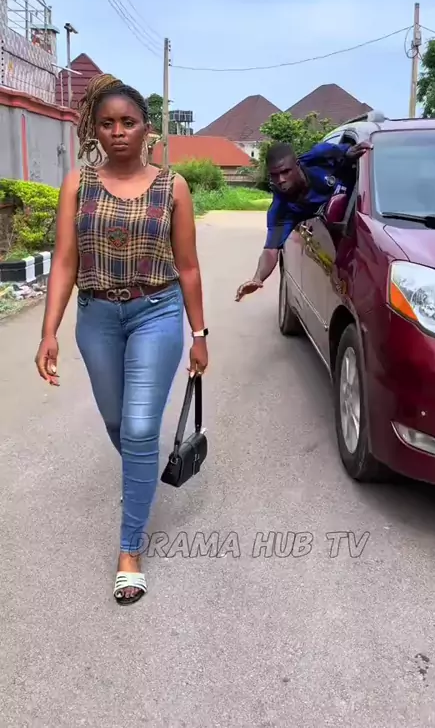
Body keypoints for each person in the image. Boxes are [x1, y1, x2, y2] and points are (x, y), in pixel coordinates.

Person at [34, 74, 208, 606]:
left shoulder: (172, 187)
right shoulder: (78, 184)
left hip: (157, 312)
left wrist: (199, 333)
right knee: (118, 422)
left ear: (146, 129)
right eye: (107, 124)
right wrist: (48, 331)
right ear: (95, 130)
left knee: (137, 426)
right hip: (97, 319)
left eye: (128, 122)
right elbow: (65, 262)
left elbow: (188, 267)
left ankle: (129, 548)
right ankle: (141, 472)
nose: (117, 132)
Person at [235, 138, 369, 301]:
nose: (281, 180)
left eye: (285, 172)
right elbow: (270, 250)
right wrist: (257, 278)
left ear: (297, 165)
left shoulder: (320, 156)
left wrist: (349, 154)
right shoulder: (281, 209)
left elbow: (349, 151)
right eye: (274, 175)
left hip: (368, 215)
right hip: (342, 239)